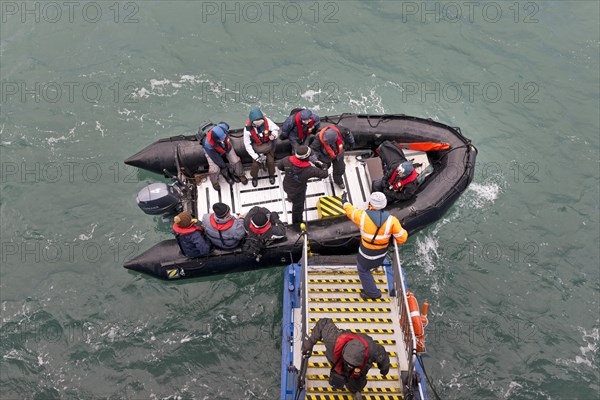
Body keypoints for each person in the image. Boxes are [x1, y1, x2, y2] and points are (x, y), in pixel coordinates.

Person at [301, 318, 390, 400]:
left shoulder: (372, 350)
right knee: (339, 372)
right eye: (348, 364)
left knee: (357, 382)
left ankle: (355, 390)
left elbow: (383, 356)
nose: (348, 367)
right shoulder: (332, 339)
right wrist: (310, 342)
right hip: (336, 358)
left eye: (351, 366)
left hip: (359, 369)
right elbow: (323, 323)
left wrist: (384, 368)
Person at [341, 191, 408, 299]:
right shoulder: (392, 221)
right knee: (372, 264)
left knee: (363, 269)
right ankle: (374, 268)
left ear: (370, 204)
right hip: (381, 254)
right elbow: (402, 238)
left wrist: (345, 202)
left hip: (366, 253)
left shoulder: (362, 216)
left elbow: (350, 212)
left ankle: (372, 293)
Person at [277, 145, 329, 224]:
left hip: (287, 185)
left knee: (290, 195)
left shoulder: (286, 160)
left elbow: (280, 166)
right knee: (298, 208)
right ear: (306, 157)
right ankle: (297, 222)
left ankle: (290, 198)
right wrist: (323, 166)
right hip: (298, 192)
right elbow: (324, 174)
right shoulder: (310, 170)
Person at [203, 121, 248, 191]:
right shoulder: (208, 144)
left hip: (226, 147)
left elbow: (225, 124)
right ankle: (218, 180)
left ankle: (240, 174)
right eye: (221, 139)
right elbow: (216, 157)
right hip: (212, 152)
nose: (223, 139)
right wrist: (223, 166)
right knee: (214, 169)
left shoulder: (223, 127)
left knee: (235, 160)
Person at [242, 108, 280, 187]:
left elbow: (275, 129)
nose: (259, 126)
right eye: (257, 125)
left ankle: (271, 175)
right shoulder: (247, 130)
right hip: (257, 149)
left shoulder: (268, 122)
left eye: (260, 124)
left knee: (270, 162)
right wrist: (256, 157)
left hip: (268, 145)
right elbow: (247, 144)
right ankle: (254, 177)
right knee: (255, 165)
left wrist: (273, 135)